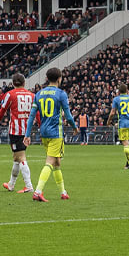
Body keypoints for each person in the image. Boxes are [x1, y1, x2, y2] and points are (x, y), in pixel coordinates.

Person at [29, 67, 73, 202]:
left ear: (47, 79)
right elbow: (69, 116)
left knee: (57, 162)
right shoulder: (61, 94)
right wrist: (75, 127)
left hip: (44, 132)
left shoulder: (39, 94)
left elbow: (32, 116)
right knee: (50, 162)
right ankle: (38, 191)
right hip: (56, 133)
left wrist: (27, 134)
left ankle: (63, 192)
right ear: (60, 79)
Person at [0, 73, 35, 193]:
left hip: (15, 131)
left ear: (13, 83)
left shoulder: (10, 94)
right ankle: (11, 184)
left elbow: (1, 111)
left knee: (20, 157)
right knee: (16, 157)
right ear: (24, 83)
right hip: (26, 130)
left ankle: (29, 185)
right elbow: (37, 114)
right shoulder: (32, 95)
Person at [107, 83, 129, 169]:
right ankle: (128, 162)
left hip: (123, 123)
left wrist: (108, 121)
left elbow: (112, 113)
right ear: (127, 90)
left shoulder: (116, 99)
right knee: (127, 142)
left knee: (124, 142)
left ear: (119, 91)